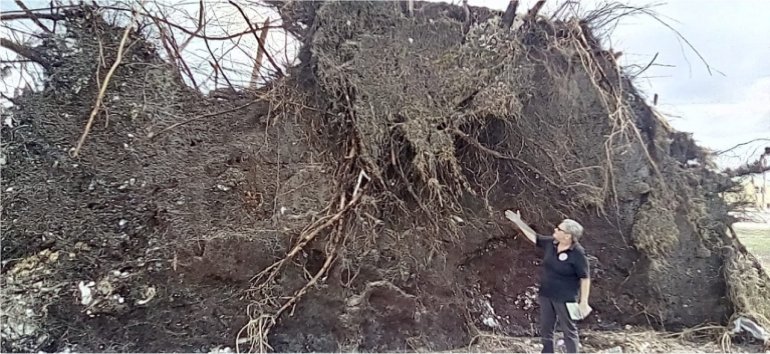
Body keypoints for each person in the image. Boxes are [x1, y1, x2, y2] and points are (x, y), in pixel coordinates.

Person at [505, 210, 591, 353]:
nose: (555, 229)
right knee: (546, 329)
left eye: (559, 229)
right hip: (546, 294)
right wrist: (518, 222)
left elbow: (585, 278)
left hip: (566, 298)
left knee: (569, 331)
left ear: (568, 236)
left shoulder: (578, 253)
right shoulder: (551, 243)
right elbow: (534, 237)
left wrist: (583, 302)